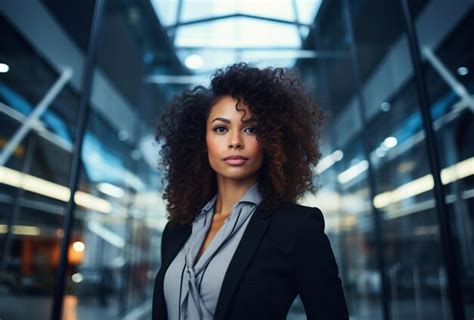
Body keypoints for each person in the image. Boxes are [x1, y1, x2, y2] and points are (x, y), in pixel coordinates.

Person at [152, 63, 349, 320]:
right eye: (221, 129)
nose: (235, 141)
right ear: (202, 141)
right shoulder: (177, 230)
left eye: (251, 129)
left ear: (271, 140)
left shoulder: (296, 227)